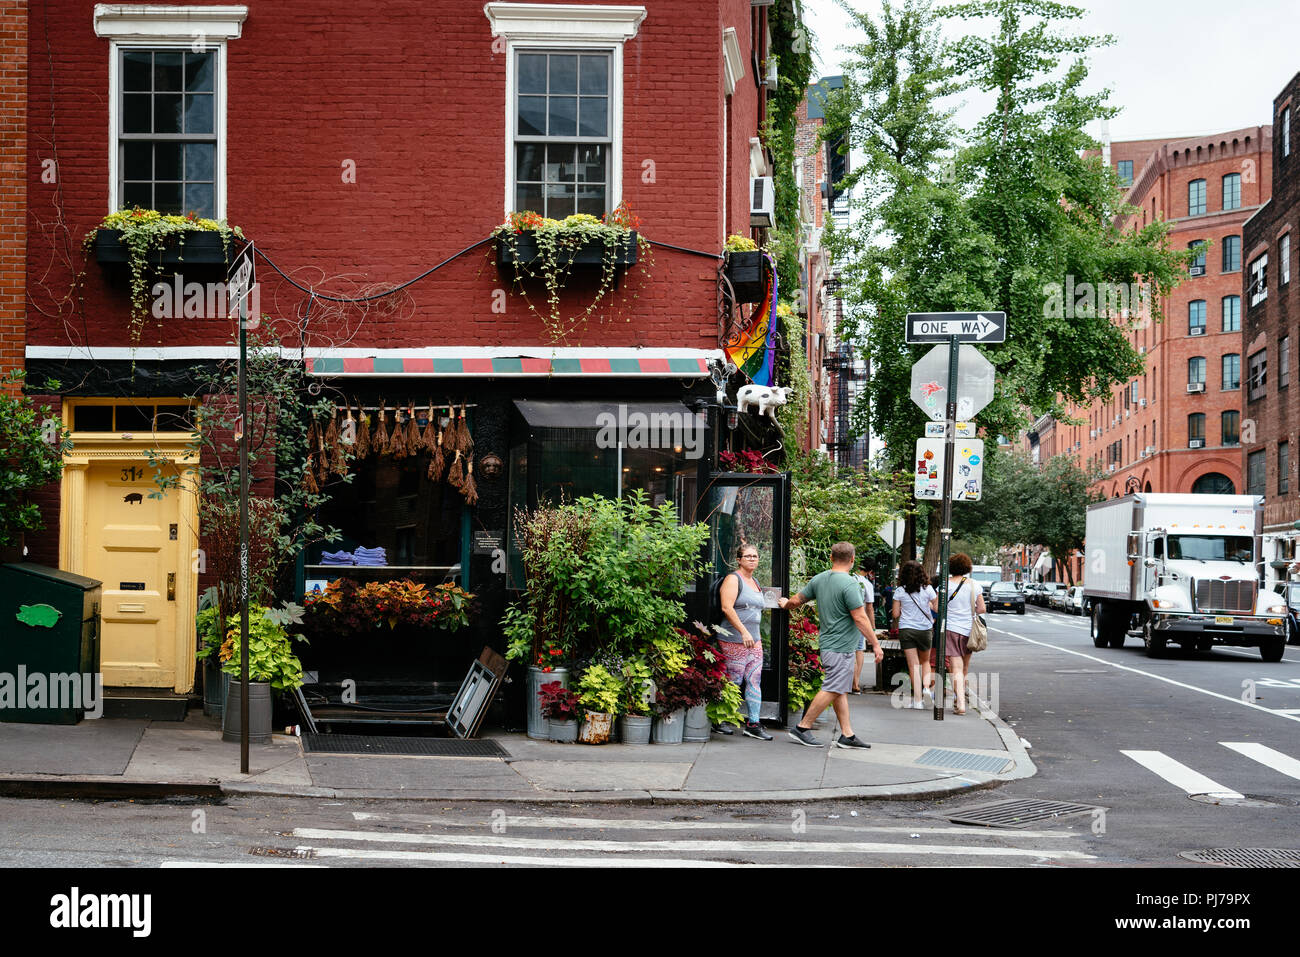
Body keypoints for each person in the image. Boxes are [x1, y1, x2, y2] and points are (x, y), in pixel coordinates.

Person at [779, 541, 883, 748]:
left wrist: (785, 604)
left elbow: (797, 600)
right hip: (841, 646)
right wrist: (876, 644)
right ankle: (802, 727)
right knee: (833, 686)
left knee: (839, 689)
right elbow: (861, 618)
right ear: (852, 560)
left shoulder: (819, 579)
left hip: (828, 644)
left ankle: (847, 734)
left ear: (831, 557)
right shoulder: (851, 584)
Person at [716, 543, 774, 740]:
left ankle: (753, 723)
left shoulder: (755, 581)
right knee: (734, 679)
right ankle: (720, 719)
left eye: (755, 556)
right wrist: (743, 632)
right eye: (747, 556)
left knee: (754, 679)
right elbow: (727, 607)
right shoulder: (733, 579)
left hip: (754, 640)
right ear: (739, 560)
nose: (752, 559)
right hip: (734, 639)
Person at [938, 553, 986, 715]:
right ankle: (961, 698)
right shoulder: (974, 585)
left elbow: (937, 607)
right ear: (967, 568)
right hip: (969, 630)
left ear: (950, 568)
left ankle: (960, 703)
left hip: (951, 629)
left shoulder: (945, 585)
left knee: (955, 668)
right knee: (964, 667)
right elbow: (982, 609)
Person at [891, 560, 938, 710]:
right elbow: (937, 608)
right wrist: (929, 605)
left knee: (913, 665)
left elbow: (896, 614)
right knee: (925, 662)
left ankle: (917, 701)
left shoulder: (899, 591)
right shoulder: (929, 589)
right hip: (925, 630)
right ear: (922, 573)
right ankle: (926, 688)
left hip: (907, 630)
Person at [851, 559, 876, 693]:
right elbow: (870, 608)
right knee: (859, 650)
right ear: (870, 571)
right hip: (859, 620)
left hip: (845, 619)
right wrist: (872, 627)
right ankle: (855, 683)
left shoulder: (849, 578)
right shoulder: (866, 584)